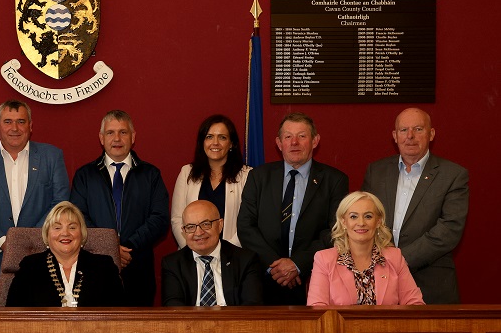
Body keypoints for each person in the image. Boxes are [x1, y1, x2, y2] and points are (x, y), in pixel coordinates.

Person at [237, 112, 349, 305]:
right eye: (288, 137)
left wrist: (297, 264)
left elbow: (335, 230)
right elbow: (246, 226)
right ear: (279, 143)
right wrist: (275, 266)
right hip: (264, 281)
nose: (294, 142)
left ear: (315, 141)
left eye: (302, 136)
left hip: (313, 278)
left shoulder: (335, 180)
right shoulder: (258, 177)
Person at [0, 100, 69, 306]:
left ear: (31, 126)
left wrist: (29, 240)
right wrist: (2, 242)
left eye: (21, 121)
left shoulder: (52, 156)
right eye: (8, 121)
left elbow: (60, 203)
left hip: (42, 259)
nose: (14, 128)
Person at [361, 108, 468, 304]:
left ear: (431, 134)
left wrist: (399, 259)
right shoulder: (375, 171)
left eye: (418, 129)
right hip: (378, 283)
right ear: (395, 136)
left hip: (431, 286)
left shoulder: (453, 175)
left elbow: (449, 230)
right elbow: (364, 219)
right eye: (403, 130)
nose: (410, 136)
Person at [70, 110, 168, 306]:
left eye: (123, 132)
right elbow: (78, 219)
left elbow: (159, 218)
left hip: (138, 268)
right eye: (110, 133)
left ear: (133, 137)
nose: (117, 138)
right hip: (95, 267)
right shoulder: (85, 175)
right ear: (101, 138)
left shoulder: (151, 174)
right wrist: (109, 248)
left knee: (138, 332)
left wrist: (127, 248)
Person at [307, 191, 425, 306]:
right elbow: (317, 310)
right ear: (343, 222)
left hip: (387, 326)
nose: (361, 223)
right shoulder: (324, 259)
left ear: (378, 221)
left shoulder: (395, 257)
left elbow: (415, 305)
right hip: (339, 326)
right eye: (353, 217)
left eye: (368, 216)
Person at [6, 201, 124, 307]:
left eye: (72, 227)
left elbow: (121, 316)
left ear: (82, 233)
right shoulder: (29, 267)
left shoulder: (104, 266)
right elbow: (13, 316)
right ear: (47, 234)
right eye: (57, 228)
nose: (65, 233)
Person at [161, 200, 264, 306]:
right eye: (191, 227)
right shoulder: (172, 264)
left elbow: (252, 307)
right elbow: (173, 309)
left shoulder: (245, 260)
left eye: (205, 224)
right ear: (184, 231)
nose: (199, 233)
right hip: (190, 322)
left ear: (220, 225)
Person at [171, 115, 252, 248]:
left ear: (231, 144)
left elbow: (247, 222)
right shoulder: (187, 173)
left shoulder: (247, 175)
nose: (215, 143)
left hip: (233, 257)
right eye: (209, 137)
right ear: (202, 142)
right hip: (192, 257)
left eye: (222, 137)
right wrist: (192, 250)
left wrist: (225, 254)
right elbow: (177, 219)